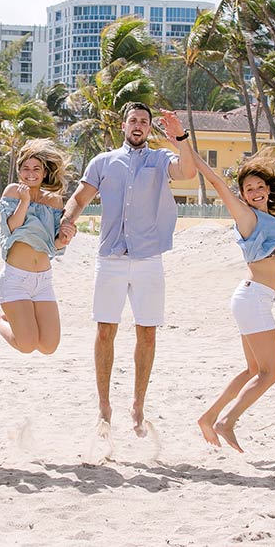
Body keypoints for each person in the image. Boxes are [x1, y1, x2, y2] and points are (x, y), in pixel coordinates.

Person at [61, 103, 196, 437]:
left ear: (150, 128)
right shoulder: (103, 162)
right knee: (105, 331)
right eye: (133, 120)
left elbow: (189, 171)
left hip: (149, 259)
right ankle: (104, 405)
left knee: (147, 333)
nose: (138, 126)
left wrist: (180, 137)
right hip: (110, 258)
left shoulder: (161, 160)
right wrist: (66, 222)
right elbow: (79, 198)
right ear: (123, 125)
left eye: (144, 122)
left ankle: (138, 403)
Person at [193, 135, 275, 453]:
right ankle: (226, 422)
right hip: (254, 299)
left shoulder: (267, 217)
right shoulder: (247, 218)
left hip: (252, 298)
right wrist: (186, 147)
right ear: (243, 195)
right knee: (270, 373)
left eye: (261, 187)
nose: (256, 192)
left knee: (253, 371)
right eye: (249, 189)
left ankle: (208, 417)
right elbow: (219, 184)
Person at [0, 139, 75, 355]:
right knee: (27, 345)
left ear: (44, 173)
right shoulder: (13, 191)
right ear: (19, 171)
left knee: (49, 347)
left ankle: (5, 321)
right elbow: (11, 228)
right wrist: (24, 201)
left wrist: (66, 237)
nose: (30, 174)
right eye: (25, 169)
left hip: (43, 280)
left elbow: (55, 245)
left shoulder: (54, 201)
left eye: (36, 169)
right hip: (16, 279)